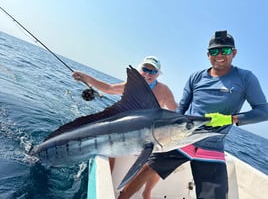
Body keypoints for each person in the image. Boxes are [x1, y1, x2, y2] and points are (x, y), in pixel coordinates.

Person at [118, 30, 268, 199]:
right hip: (181, 139)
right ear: (207, 54)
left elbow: (264, 111)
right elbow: (181, 109)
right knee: (144, 171)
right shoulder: (196, 77)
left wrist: (230, 119)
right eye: (214, 51)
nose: (219, 55)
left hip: (213, 147)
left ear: (234, 53)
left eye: (225, 50)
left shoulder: (246, 78)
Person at [73, 56, 177, 198]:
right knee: (108, 150)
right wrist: (87, 78)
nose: (148, 74)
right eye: (145, 69)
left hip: (151, 136)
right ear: (139, 69)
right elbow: (109, 88)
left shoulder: (164, 90)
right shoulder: (131, 85)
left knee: (158, 161)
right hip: (129, 133)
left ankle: (147, 192)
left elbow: (176, 111)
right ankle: (106, 184)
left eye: (153, 71)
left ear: (158, 74)